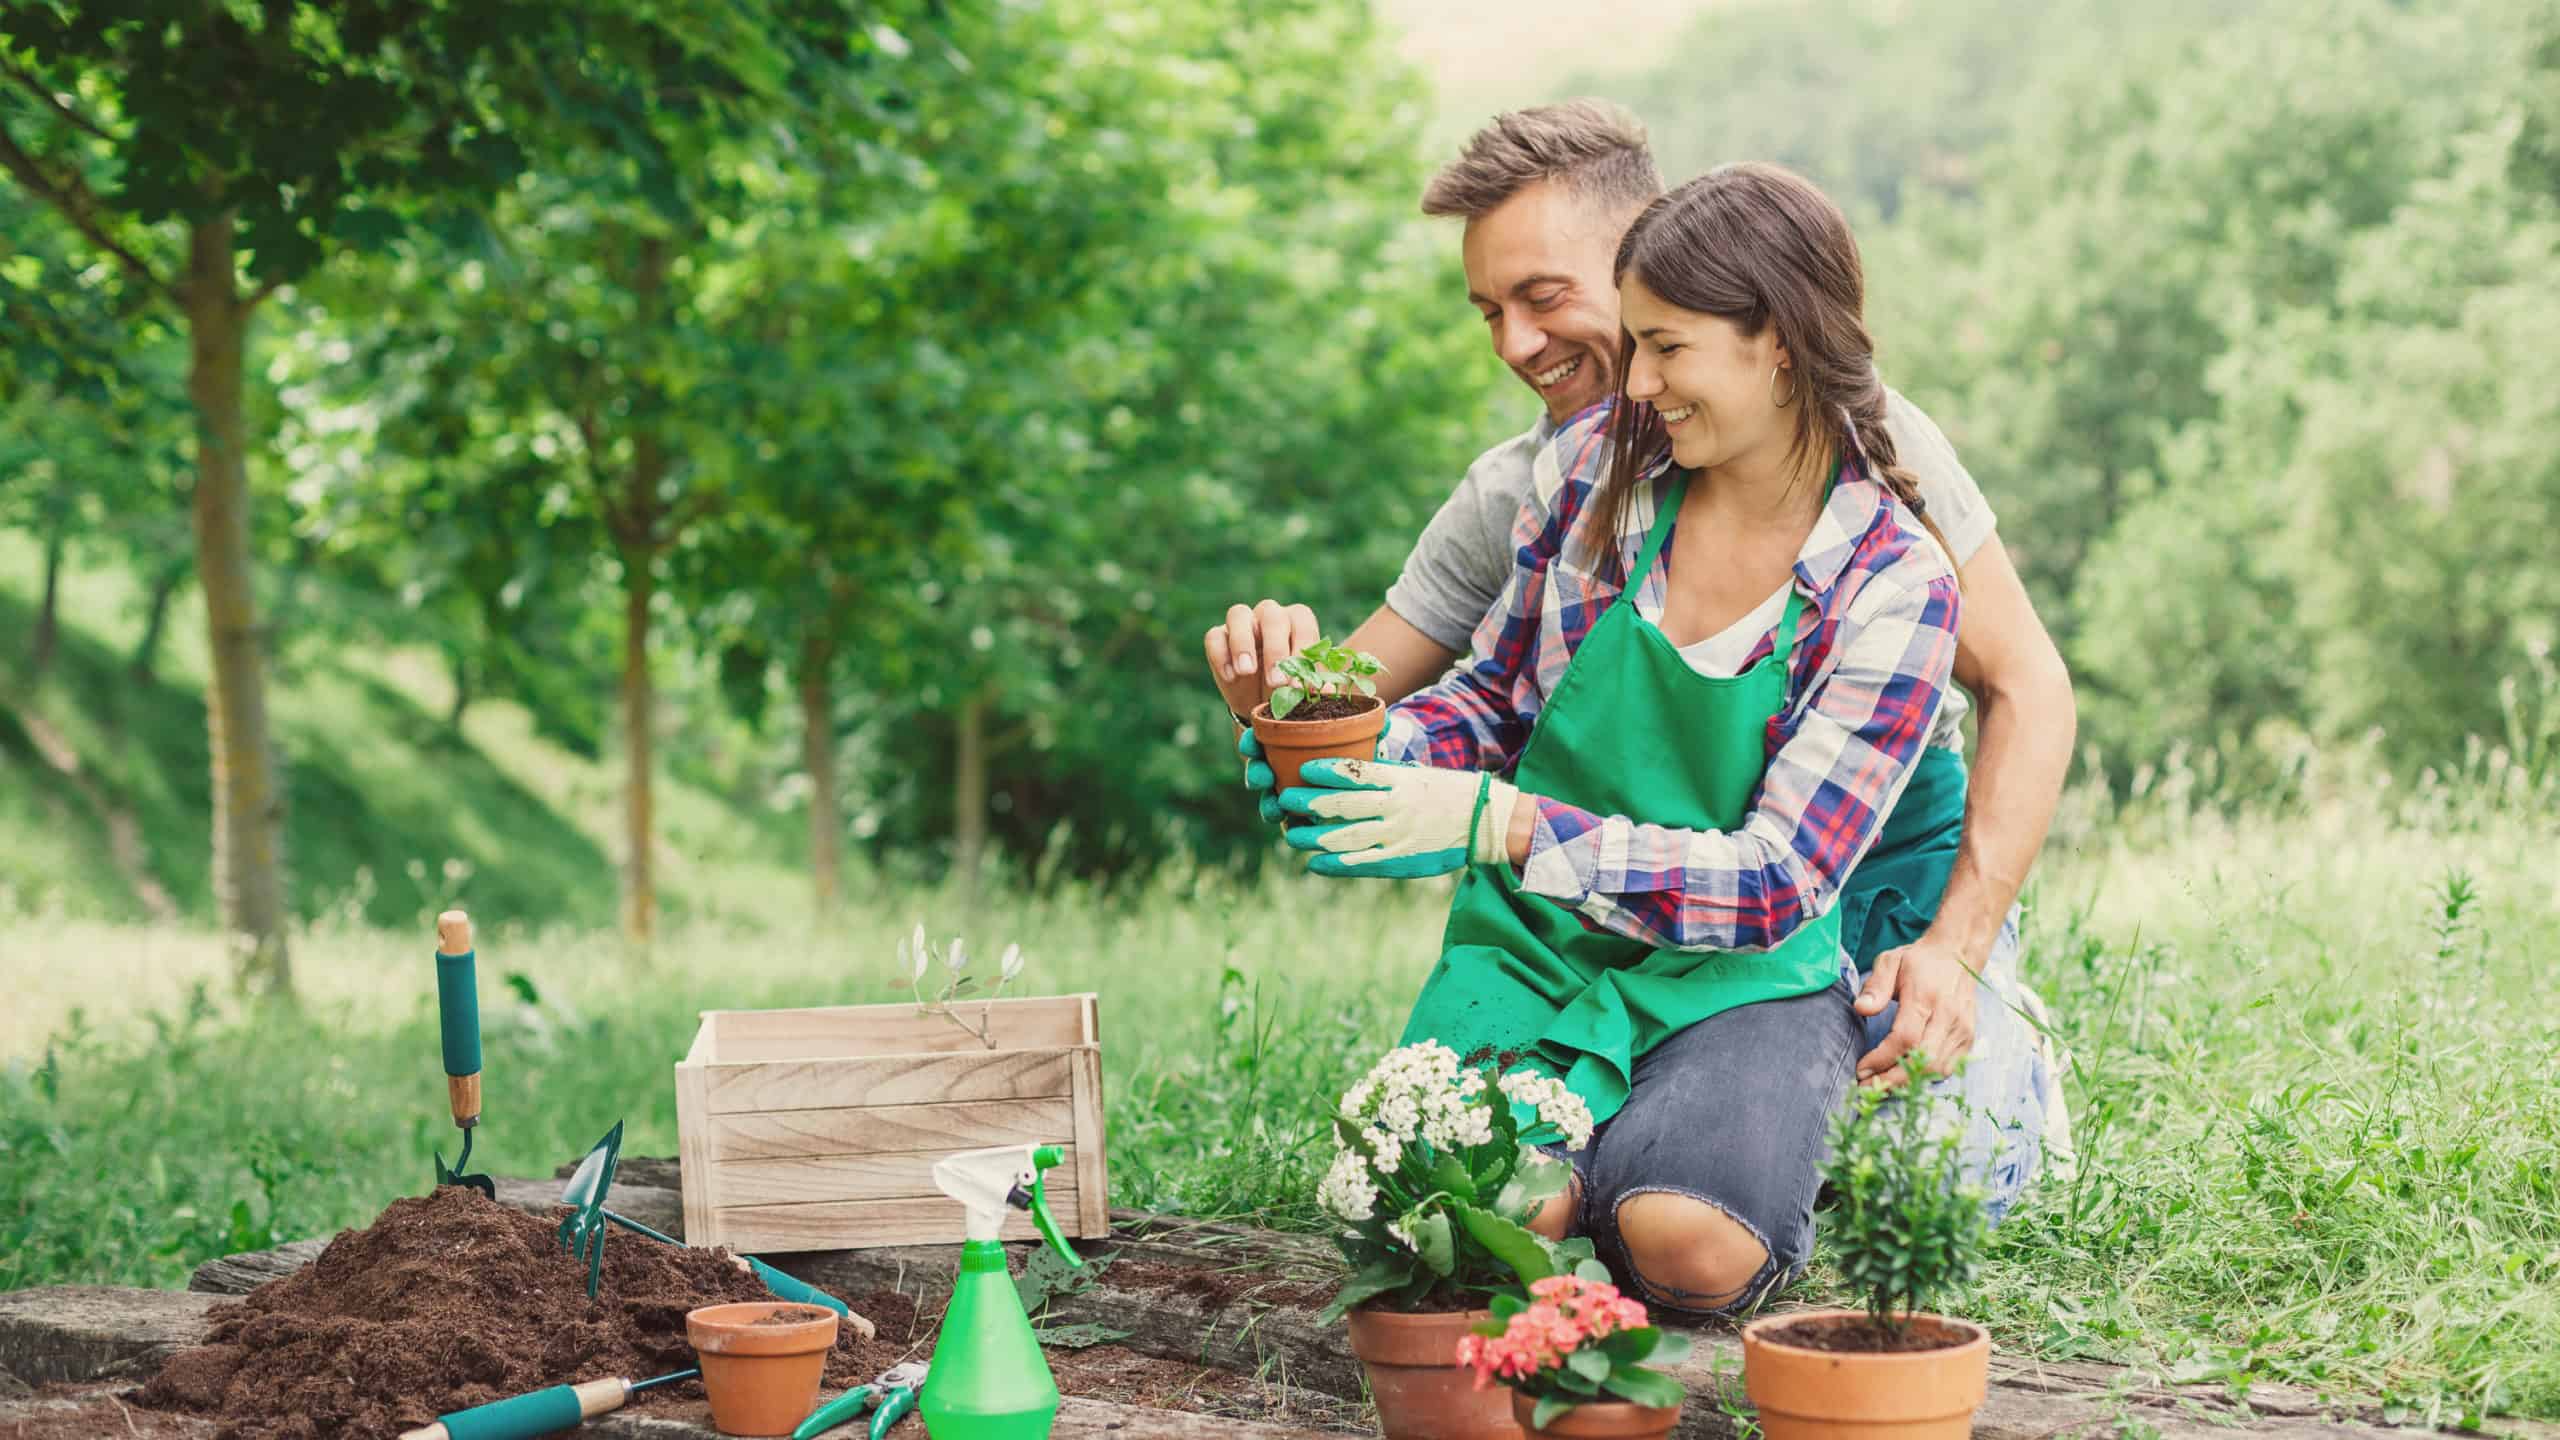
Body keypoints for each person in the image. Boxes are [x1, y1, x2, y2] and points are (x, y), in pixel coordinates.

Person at [1230, 161, 2065, 1317]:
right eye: (1632, 343)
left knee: (1688, 1242)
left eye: (1665, 349)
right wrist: (1364, 755)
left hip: (1745, 967)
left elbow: (1781, 881)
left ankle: (1702, 1152)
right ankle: (1601, 1167)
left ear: (1775, 341)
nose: (1633, 382)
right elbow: (1495, 700)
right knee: (1453, 1221)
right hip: (1548, 942)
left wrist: (1503, 823)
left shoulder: (1890, 574)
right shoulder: (1593, 468)